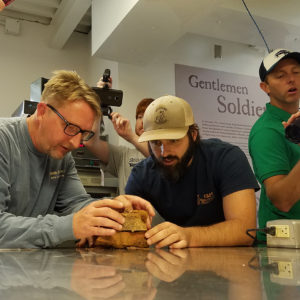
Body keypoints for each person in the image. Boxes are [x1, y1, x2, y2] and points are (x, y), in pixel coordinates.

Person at [0, 70, 154, 248]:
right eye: (71, 127)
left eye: (83, 133)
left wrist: (113, 207)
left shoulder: (61, 155)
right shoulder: (4, 140)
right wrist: (70, 226)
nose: (75, 143)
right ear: (42, 111)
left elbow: (77, 203)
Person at [125, 95, 259, 248]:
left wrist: (189, 236)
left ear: (193, 135)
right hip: (176, 264)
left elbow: (245, 231)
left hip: (234, 263)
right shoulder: (141, 175)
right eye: (156, 143)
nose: (164, 152)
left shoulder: (226, 158)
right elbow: (126, 226)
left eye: (174, 140)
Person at [249, 49, 300, 240]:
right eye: (280, 75)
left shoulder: (295, 122)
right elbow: (282, 200)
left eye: (296, 72)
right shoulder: (266, 131)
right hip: (285, 250)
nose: (291, 79)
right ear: (265, 87)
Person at [85, 76, 154, 194]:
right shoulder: (123, 155)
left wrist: (130, 136)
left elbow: (158, 158)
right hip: (127, 213)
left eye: (147, 117)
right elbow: (90, 141)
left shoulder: (167, 155)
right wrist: (98, 103)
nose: (142, 121)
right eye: (139, 117)